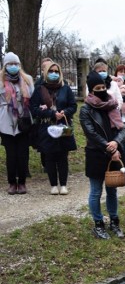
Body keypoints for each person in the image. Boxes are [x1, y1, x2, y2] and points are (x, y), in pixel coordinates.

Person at [79, 71, 125, 239]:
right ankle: (98, 224)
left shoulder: (112, 104)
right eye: (96, 88)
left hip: (114, 152)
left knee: (112, 191)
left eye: (102, 87)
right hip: (96, 154)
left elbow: (122, 129)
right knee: (96, 191)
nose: (101, 90)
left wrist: (116, 143)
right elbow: (91, 133)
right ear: (91, 90)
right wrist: (111, 148)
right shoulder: (86, 110)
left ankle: (114, 221)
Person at [30, 61, 78, 195]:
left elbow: (73, 106)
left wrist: (64, 112)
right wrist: (51, 113)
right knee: (49, 156)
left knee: (62, 156)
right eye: (51, 71)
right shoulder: (39, 89)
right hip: (46, 126)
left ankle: (63, 184)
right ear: (46, 73)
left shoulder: (65, 88)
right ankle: (53, 185)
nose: (54, 74)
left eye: (56, 71)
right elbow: (33, 109)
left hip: (62, 125)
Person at [0, 52, 34, 195]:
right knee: (11, 155)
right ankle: (12, 182)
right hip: (6, 120)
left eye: (15, 64)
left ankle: (22, 182)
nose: (13, 67)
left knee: (23, 154)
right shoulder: (1, 81)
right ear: (5, 66)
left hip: (23, 121)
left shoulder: (27, 80)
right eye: (10, 64)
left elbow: (32, 97)